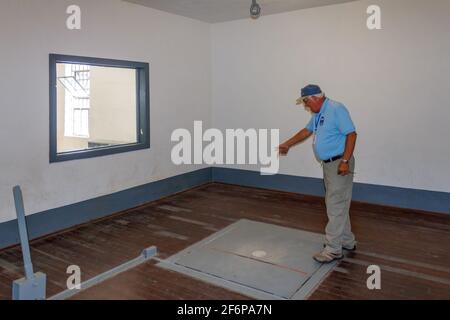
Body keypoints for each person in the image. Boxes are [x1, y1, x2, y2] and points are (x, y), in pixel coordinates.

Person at [278, 84, 358, 263]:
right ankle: (346, 240)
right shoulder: (319, 113)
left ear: (315, 98)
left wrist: (345, 161)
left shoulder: (336, 109)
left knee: (335, 204)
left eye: (306, 102)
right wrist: (287, 144)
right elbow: (306, 131)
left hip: (339, 163)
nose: (306, 106)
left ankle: (333, 250)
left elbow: (351, 134)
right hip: (330, 165)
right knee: (338, 203)